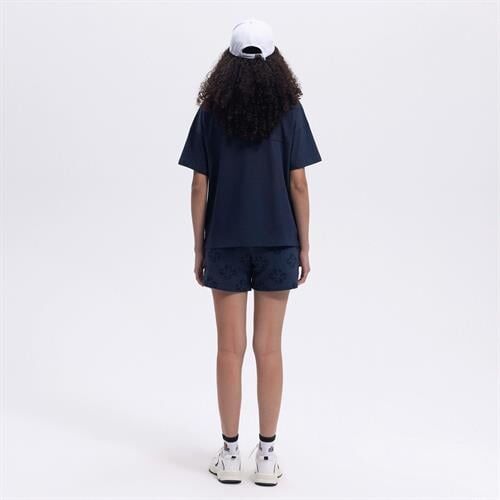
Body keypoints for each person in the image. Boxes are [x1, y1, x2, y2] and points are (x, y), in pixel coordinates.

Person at [178, 18, 322, 486]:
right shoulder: (289, 111)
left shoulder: (211, 111)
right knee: (269, 349)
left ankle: (229, 453)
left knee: (229, 349)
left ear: (228, 62)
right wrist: (304, 245)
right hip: (278, 241)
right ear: (276, 61)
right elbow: (298, 183)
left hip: (225, 241)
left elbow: (198, 185)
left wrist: (198, 246)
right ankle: (266, 457)